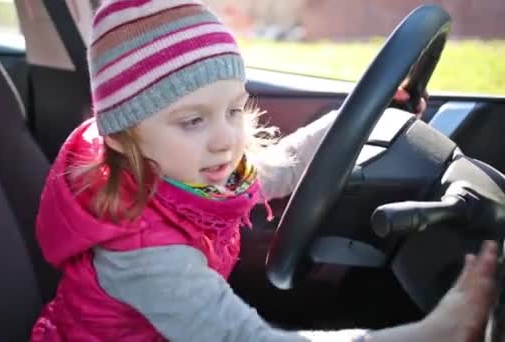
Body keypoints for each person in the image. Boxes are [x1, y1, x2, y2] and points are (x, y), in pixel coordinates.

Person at [31, 1, 498, 341]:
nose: (225, 139)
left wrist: (366, 113)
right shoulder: (140, 252)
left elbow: (285, 165)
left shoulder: (194, 173)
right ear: (121, 138)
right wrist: (433, 333)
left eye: (234, 110)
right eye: (193, 120)